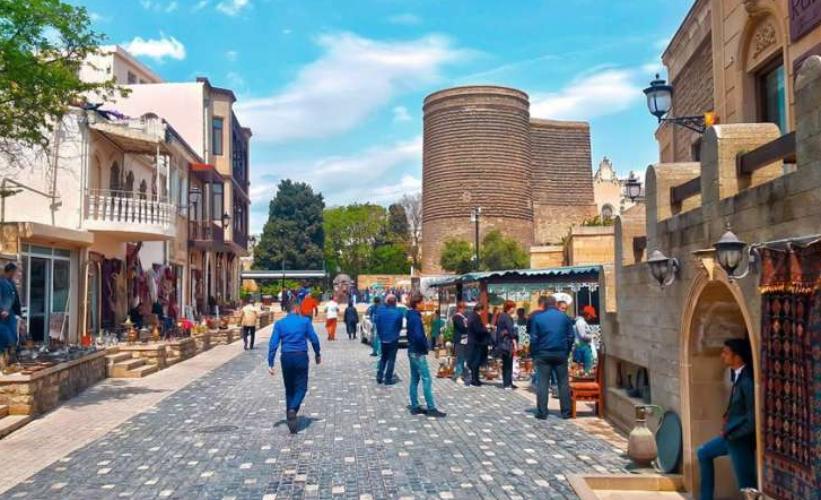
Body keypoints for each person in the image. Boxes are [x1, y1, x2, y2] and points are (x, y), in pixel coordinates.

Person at [697, 338, 756, 500]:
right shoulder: (736, 374)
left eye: (726, 353)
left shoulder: (748, 381)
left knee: (747, 485)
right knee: (703, 453)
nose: (722, 356)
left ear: (737, 357)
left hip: (740, 440)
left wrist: (733, 434)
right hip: (730, 436)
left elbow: (752, 418)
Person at [267, 302, 321, 434]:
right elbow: (314, 339)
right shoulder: (305, 322)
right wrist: (317, 353)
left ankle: (291, 420)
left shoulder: (280, 324)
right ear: (296, 309)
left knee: (289, 388)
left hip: (286, 357)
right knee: (301, 387)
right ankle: (293, 409)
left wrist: (270, 362)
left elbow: (273, 344)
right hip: (300, 356)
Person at [530, 295, 575, 419]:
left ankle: (542, 412)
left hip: (543, 353)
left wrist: (535, 354)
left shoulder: (538, 318)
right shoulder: (564, 317)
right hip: (560, 353)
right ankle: (566, 412)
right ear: (555, 304)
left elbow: (534, 339)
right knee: (563, 383)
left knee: (543, 383)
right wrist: (567, 351)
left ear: (544, 305)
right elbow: (571, 336)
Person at [406, 293, 446, 417]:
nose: (424, 304)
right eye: (422, 302)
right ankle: (431, 407)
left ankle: (414, 405)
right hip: (418, 352)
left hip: (412, 350)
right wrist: (425, 346)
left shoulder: (411, 315)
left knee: (414, 379)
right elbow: (418, 336)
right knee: (426, 379)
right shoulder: (415, 318)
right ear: (417, 304)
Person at [375, 294, 403, 385]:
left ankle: (379, 376)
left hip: (383, 338)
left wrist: (381, 335)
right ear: (395, 302)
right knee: (391, 359)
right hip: (393, 338)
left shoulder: (381, 311)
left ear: (387, 302)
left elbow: (378, 324)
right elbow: (399, 326)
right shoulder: (399, 313)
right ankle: (388, 378)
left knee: (383, 357)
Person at [0, 263, 21, 367]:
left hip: (11, 315)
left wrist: (19, 315)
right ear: (10, 271)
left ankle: (10, 360)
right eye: (15, 272)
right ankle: (2, 362)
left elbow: (16, 300)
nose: (16, 274)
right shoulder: (1, 282)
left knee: (13, 337)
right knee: (3, 338)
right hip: (2, 316)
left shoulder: (12, 283)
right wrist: (1, 310)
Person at [467, 303, 491, 387]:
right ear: (480, 309)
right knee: (475, 361)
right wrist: (486, 329)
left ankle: (476, 379)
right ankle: (474, 380)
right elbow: (478, 330)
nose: (483, 312)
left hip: (473, 341)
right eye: (483, 310)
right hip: (476, 342)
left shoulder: (471, 316)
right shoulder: (476, 317)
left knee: (475, 361)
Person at [496, 300, 517, 389]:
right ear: (509, 308)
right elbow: (511, 331)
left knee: (506, 363)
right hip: (507, 342)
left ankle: (508, 382)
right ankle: (507, 383)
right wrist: (515, 340)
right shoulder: (507, 317)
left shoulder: (502, 316)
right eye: (513, 307)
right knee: (508, 363)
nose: (514, 309)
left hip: (502, 342)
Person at [451, 302, 470, 384]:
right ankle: (458, 376)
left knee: (463, 358)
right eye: (462, 308)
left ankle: (460, 374)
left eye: (465, 308)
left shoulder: (463, 317)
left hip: (465, 340)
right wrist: (468, 326)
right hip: (459, 340)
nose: (464, 309)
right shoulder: (457, 317)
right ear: (459, 308)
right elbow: (462, 327)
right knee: (460, 358)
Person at [573, 305, 596, 373]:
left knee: (581, 370)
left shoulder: (580, 321)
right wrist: (592, 336)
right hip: (582, 347)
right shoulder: (581, 322)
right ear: (587, 314)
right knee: (587, 369)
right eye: (591, 316)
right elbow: (583, 335)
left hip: (581, 346)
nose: (591, 318)